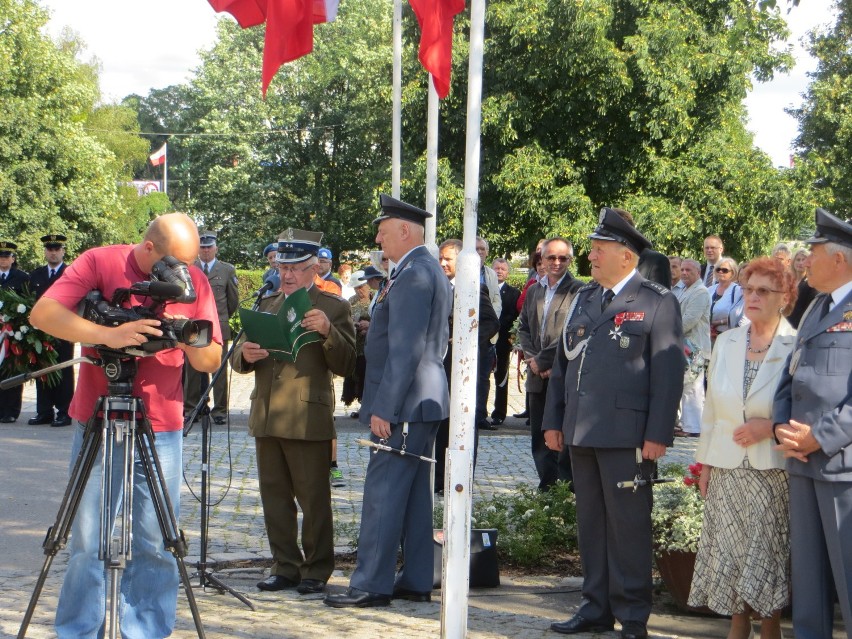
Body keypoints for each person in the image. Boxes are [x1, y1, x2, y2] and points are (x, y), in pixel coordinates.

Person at [29, 213, 223, 639]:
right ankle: (79, 631)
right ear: (149, 248)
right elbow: (43, 314)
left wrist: (184, 340)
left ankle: (145, 631)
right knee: (86, 539)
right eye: (174, 264)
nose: (182, 274)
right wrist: (109, 335)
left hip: (162, 425)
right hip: (97, 416)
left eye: (188, 265)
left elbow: (211, 360)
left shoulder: (194, 283)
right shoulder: (100, 261)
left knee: (155, 541)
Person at [542, 208, 684, 639]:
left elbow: (669, 372)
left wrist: (658, 433)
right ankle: (595, 607)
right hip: (583, 432)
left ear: (626, 255)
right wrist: (554, 419)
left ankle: (633, 616)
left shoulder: (657, 300)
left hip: (627, 436)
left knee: (629, 528)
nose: (591, 257)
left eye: (599, 250)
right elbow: (563, 364)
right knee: (592, 525)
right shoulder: (586, 298)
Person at [324, 194, 452, 608]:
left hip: (407, 403)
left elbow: (406, 349)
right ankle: (415, 578)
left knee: (382, 492)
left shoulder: (415, 273)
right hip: (419, 401)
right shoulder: (416, 269)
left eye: (383, 229)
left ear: (405, 230)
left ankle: (371, 584)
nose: (378, 236)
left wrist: (385, 408)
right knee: (413, 493)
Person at [231, 228, 355, 595]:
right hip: (267, 414)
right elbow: (238, 356)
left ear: (314, 267)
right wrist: (244, 355)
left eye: (296, 268)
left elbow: (348, 364)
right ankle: (285, 566)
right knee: (274, 497)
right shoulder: (266, 303)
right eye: (282, 266)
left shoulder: (334, 307)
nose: (286, 274)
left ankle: (316, 569)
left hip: (306, 416)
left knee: (313, 498)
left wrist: (328, 331)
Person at [688, 256, 797, 639]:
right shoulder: (729, 340)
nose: (753, 297)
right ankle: (737, 627)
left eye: (764, 291)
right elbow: (713, 411)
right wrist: (705, 465)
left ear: (784, 297)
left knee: (766, 555)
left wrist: (770, 428)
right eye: (748, 289)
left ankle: (770, 629)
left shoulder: (796, 345)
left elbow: (803, 410)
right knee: (731, 554)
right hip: (727, 468)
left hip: (772, 471)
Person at [773, 208, 852, 638]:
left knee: (848, 573)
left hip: (842, 464)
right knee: (808, 579)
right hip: (802, 458)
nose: (805, 260)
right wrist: (784, 425)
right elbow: (793, 370)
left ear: (839, 260)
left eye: (814, 252)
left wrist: (819, 438)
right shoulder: (818, 304)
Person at [434, 239, 499, 493]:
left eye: (448, 259)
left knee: (462, 426)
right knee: (440, 426)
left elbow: (491, 323)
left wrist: (463, 337)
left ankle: (461, 479)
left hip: (461, 371)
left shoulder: (473, 288)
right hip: (438, 370)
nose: (442, 263)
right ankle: (439, 479)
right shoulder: (436, 286)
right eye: (441, 257)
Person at [517, 237, 582, 491]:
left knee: (562, 435)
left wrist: (543, 360)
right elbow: (523, 327)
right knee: (539, 436)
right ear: (541, 259)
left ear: (570, 260)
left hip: (562, 373)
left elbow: (573, 329)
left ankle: (565, 491)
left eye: (562, 258)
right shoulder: (534, 289)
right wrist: (534, 360)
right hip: (537, 374)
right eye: (551, 257)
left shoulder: (578, 290)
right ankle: (547, 488)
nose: (556, 262)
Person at [183, 230, 239, 425]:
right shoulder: (189, 268)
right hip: (194, 327)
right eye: (202, 247)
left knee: (219, 370)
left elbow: (233, 302)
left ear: (216, 248)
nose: (206, 251)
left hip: (217, 327)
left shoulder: (227, 270)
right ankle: (192, 408)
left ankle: (220, 410)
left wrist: (220, 319)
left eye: (209, 247)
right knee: (192, 369)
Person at [27, 234, 74, 427]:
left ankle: (64, 412)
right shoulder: (36, 275)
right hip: (41, 331)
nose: (53, 253)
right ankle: (44, 411)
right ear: (45, 252)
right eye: (50, 249)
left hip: (64, 330)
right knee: (42, 370)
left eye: (57, 249)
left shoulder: (71, 273)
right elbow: (29, 301)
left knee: (64, 369)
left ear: (63, 251)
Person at [674, 259, 710, 438]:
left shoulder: (701, 292)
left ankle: (694, 427)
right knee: (685, 384)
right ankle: (686, 424)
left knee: (693, 385)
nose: (684, 273)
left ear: (698, 272)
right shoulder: (684, 291)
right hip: (683, 345)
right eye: (682, 269)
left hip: (695, 346)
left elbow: (688, 320)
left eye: (688, 270)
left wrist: (667, 331)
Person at [0, 239, 30, 423]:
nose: (3, 260)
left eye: (6, 256)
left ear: (13, 258)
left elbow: (27, 303)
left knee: (12, 370)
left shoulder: (22, 278)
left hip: (13, 334)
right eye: (0, 257)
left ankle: (11, 411)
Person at [490, 257, 520, 426]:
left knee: (501, 378)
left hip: (502, 341)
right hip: (485, 341)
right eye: (497, 268)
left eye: (503, 269)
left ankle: (499, 412)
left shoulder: (514, 293)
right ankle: (479, 411)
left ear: (507, 273)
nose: (499, 271)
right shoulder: (484, 289)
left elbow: (512, 316)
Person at [708, 257, 743, 344]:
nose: (720, 272)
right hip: (707, 337)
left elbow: (739, 317)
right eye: (718, 269)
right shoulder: (710, 290)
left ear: (733, 273)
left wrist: (717, 323)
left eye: (724, 270)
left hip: (727, 337)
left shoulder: (738, 291)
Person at [788, 247, 818, 328]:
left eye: (803, 259)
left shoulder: (811, 284)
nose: (800, 263)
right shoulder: (788, 281)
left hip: (798, 326)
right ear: (793, 262)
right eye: (798, 260)